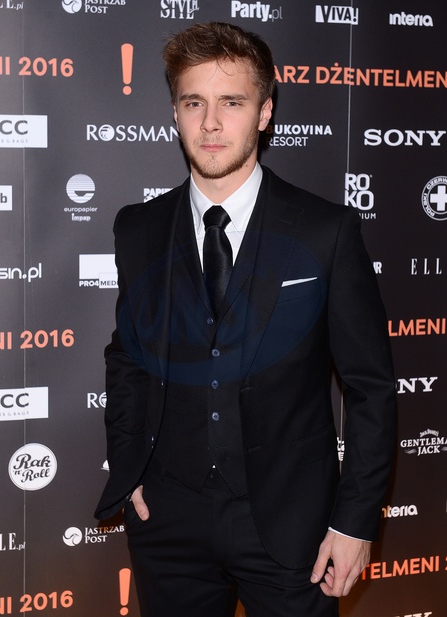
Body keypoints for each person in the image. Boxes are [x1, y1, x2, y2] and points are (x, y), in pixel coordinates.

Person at [95, 21, 396, 617]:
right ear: (175, 114)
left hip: (294, 525)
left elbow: (370, 387)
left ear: (264, 112)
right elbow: (127, 357)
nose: (211, 123)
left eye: (231, 102)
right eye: (194, 103)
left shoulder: (325, 231)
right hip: (168, 526)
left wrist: (355, 521)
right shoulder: (138, 228)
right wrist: (129, 468)